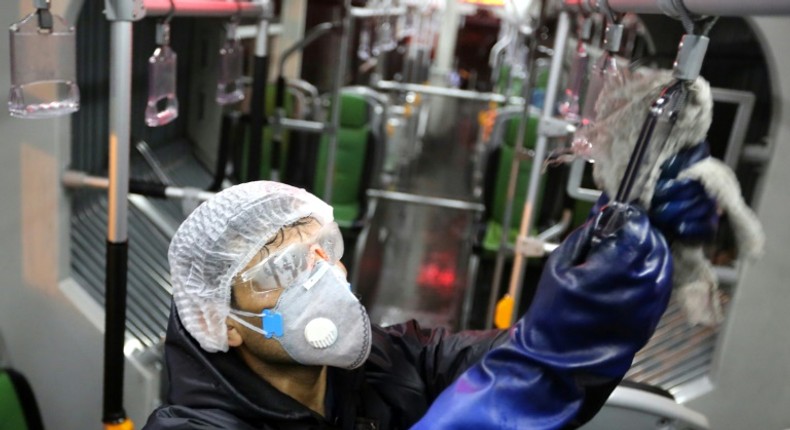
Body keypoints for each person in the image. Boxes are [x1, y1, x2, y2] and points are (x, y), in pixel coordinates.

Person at [143, 148, 716, 429]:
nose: (328, 278)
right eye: (285, 271)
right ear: (220, 322)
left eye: (326, 251)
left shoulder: (386, 364)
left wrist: (606, 275)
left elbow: (532, 355)